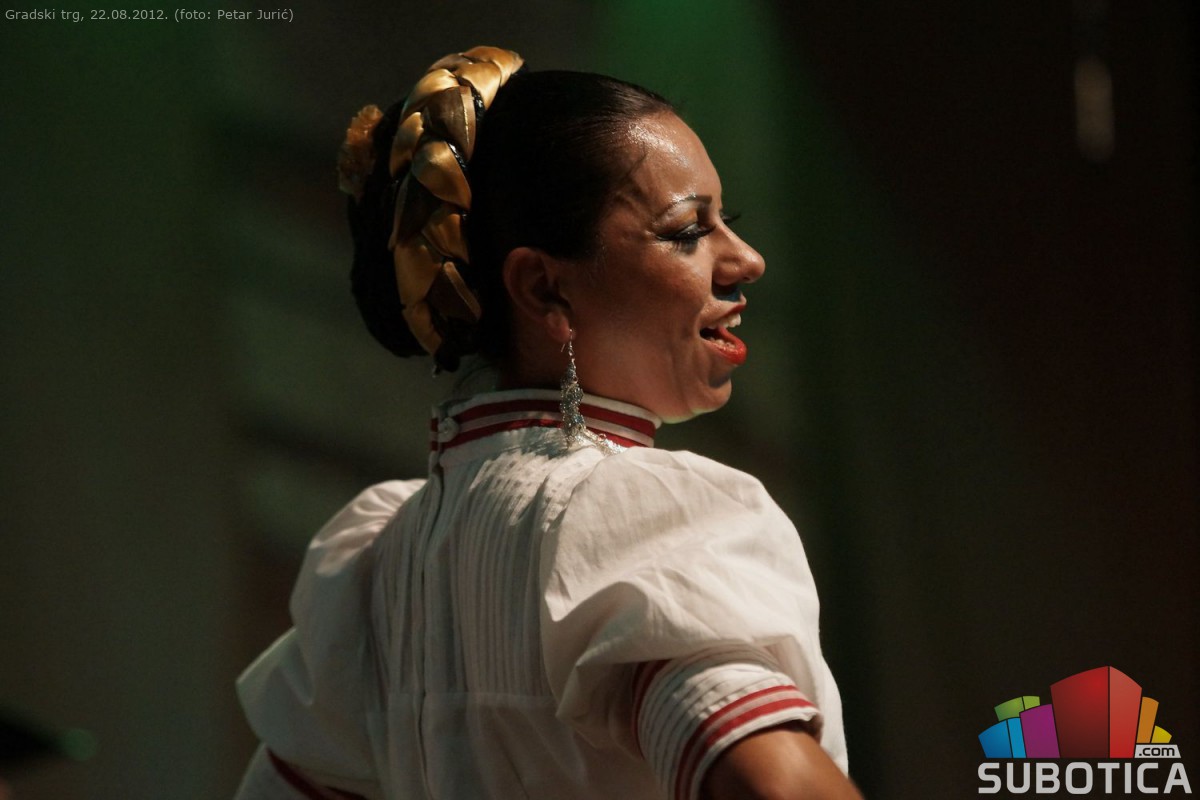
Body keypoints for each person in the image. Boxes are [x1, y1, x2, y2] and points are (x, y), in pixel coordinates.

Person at [233, 46, 861, 800]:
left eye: (728, 223)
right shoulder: (632, 521)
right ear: (544, 289)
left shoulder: (378, 569)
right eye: (687, 231)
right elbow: (777, 787)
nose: (747, 260)